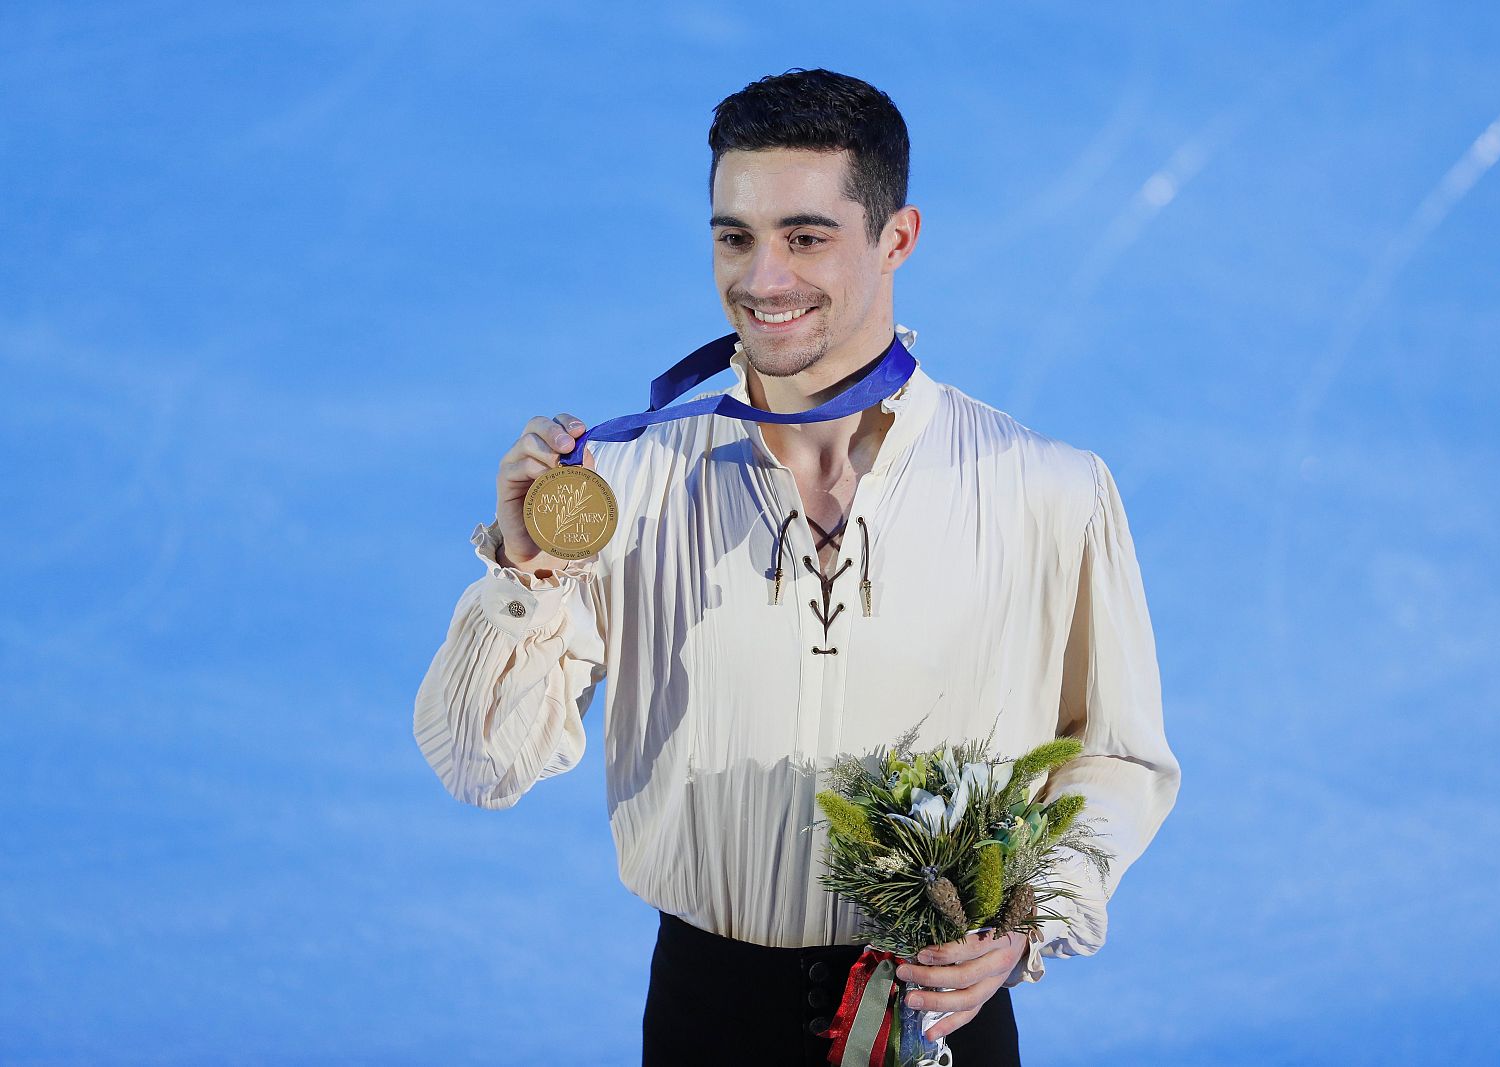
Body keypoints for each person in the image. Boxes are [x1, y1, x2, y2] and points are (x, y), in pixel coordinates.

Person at [413, 68, 1180, 1066]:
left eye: (804, 236)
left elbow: (1116, 755)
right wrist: (526, 569)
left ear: (896, 237)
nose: (761, 278)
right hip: (706, 1018)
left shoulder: (1048, 489)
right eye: (734, 236)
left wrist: (1030, 916)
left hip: (935, 1020)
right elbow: (478, 763)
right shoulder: (629, 486)